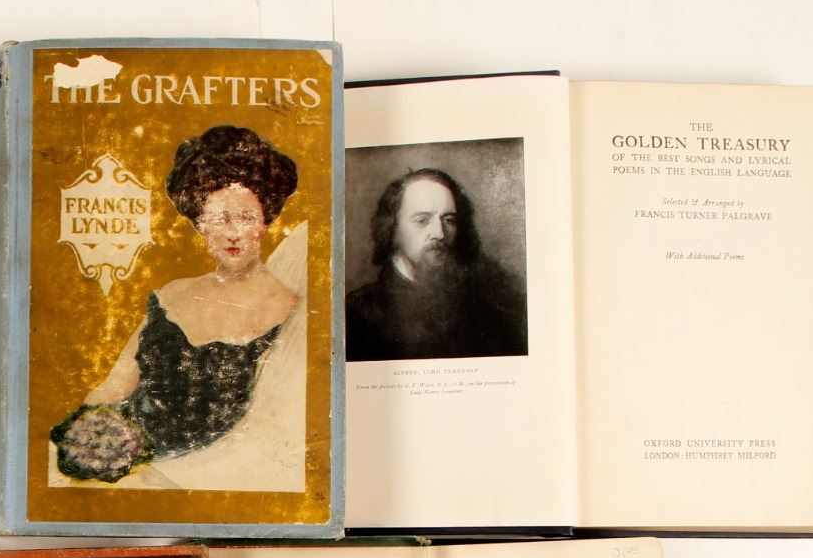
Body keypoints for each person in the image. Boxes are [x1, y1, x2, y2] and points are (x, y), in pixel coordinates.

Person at [52, 125, 307, 485]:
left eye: (247, 217)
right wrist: (87, 429)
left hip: (207, 474)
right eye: (218, 218)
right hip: (126, 461)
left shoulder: (290, 310)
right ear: (199, 222)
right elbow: (113, 387)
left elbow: (268, 430)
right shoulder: (172, 295)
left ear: (267, 220)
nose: (233, 233)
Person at [345, 168, 528, 361]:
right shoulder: (358, 313)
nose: (439, 233)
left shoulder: (484, 310)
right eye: (422, 220)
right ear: (392, 229)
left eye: (449, 220)